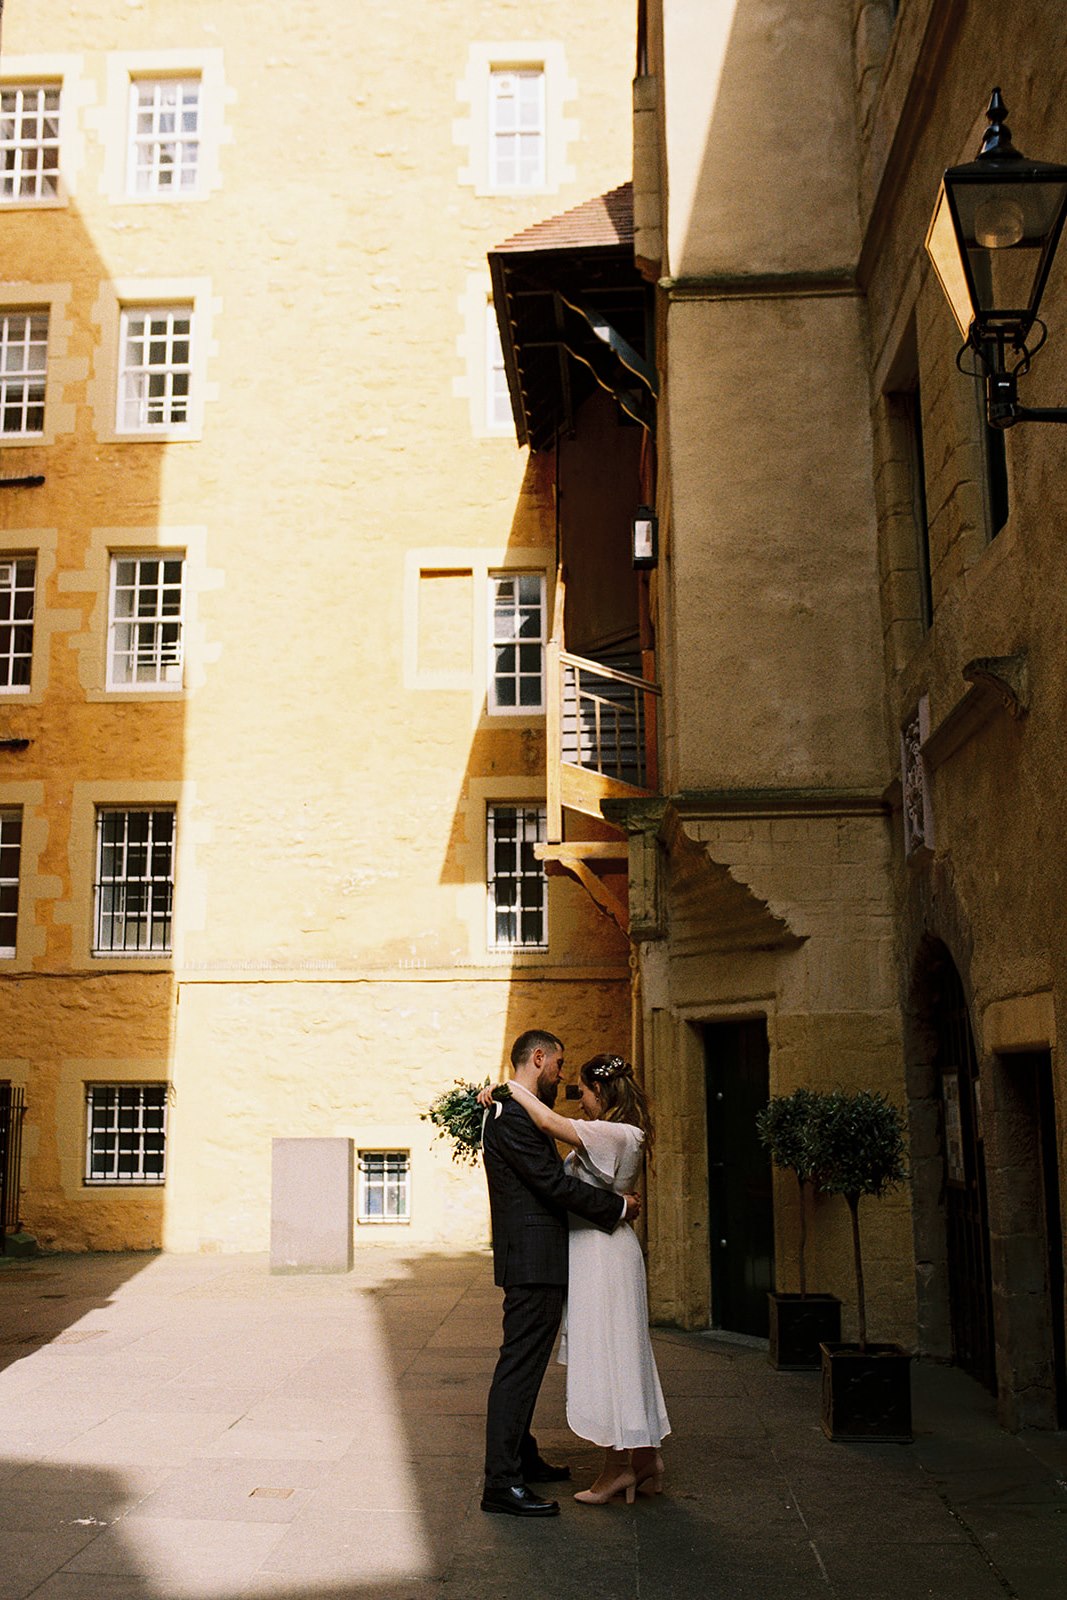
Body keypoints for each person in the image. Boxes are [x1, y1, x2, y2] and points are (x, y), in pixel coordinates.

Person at [484, 1051, 669, 1506]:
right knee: (619, 1352)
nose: (576, 1094)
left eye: (583, 1090)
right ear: (540, 1057)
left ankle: (618, 1467)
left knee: (613, 1357)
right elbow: (554, 1168)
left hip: (604, 1253)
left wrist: (506, 1091)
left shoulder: (615, 1133)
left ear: (602, 1092)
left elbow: (548, 1125)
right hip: (590, 1250)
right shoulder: (601, 1134)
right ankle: (640, 1459)